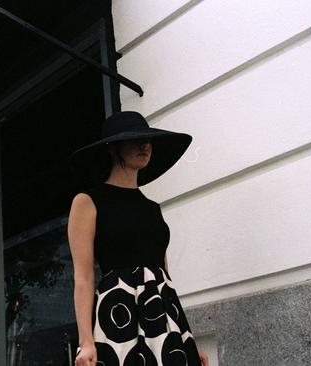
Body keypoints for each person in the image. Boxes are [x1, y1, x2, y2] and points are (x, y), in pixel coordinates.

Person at [68, 111, 209, 366]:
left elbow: (164, 275)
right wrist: (86, 342)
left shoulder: (153, 209)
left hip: (162, 313)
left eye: (147, 140)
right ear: (112, 148)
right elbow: (84, 277)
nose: (145, 146)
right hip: (118, 311)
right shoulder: (87, 202)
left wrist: (185, 340)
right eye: (134, 140)